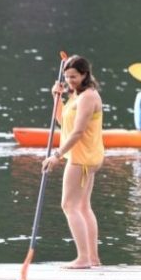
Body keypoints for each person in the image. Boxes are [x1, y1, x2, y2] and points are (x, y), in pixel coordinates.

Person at [41, 55, 104, 269]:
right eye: (67, 77)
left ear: (85, 74)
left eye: (74, 77)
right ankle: (93, 259)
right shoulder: (76, 95)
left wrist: (56, 156)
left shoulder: (88, 96)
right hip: (85, 156)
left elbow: (77, 132)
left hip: (82, 157)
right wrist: (57, 98)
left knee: (69, 205)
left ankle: (83, 258)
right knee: (83, 207)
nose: (70, 81)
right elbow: (63, 122)